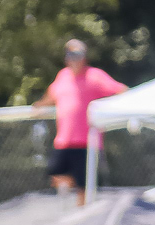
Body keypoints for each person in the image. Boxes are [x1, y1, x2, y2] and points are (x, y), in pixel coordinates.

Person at [36, 39, 127, 203]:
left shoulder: (95, 75)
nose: (74, 59)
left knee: (84, 186)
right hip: (64, 142)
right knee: (56, 175)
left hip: (88, 142)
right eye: (70, 55)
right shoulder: (63, 76)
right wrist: (38, 106)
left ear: (84, 57)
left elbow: (120, 90)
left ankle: (83, 212)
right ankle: (71, 208)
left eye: (77, 55)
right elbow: (51, 96)